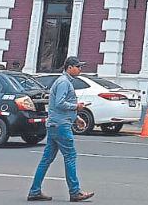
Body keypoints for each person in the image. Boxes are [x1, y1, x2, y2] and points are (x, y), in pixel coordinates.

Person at [28, 56, 93, 202]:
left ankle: (35, 190)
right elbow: (60, 103)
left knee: (46, 160)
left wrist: (76, 117)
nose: (80, 69)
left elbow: (60, 106)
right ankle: (75, 192)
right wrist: (76, 107)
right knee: (70, 156)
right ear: (69, 68)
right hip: (61, 126)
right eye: (78, 66)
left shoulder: (64, 82)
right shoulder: (64, 82)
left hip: (55, 124)